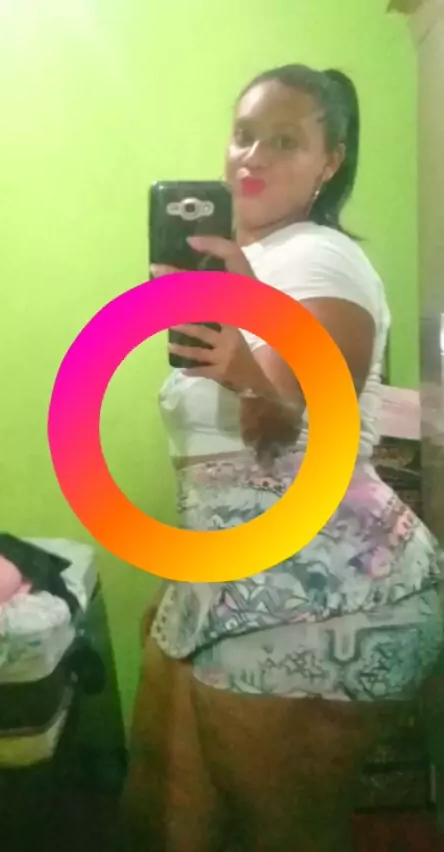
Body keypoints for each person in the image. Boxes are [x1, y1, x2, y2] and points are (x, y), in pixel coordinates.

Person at [123, 64, 443, 852]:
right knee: (167, 813)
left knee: (282, 833)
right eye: (243, 135)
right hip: (234, 575)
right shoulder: (243, 262)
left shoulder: (318, 259)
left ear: (330, 160)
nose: (253, 155)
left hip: (325, 591)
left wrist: (243, 351)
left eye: (285, 140)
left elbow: (290, 418)